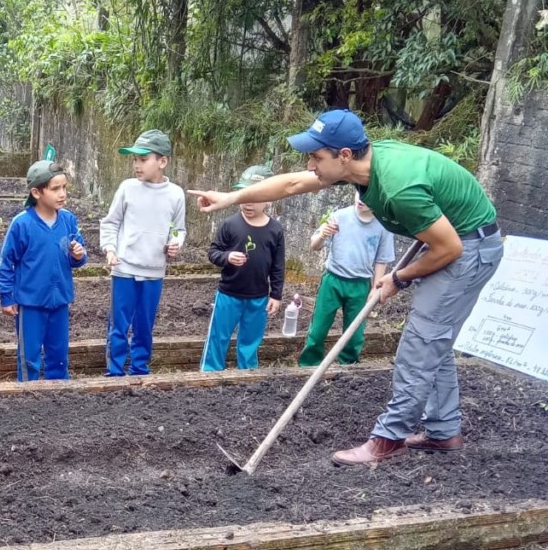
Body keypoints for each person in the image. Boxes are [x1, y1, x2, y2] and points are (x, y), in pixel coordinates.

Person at [189, 109, 502, 465]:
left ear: (345, 156)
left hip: (468, 247)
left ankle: (390, 436)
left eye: (316, 157)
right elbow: (292, 183)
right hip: (452, 234)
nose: (310, 165)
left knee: (421, 341)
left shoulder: (400, 189)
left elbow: (450, 248)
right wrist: (228, 198)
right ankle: (444, 431)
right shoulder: (360, 165)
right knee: (436, 341)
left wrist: (398, 278)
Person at [101, 130, 187, 376]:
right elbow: (111, 223)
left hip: (153, 272)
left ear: (162, 161)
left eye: (143, 159)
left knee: (144, 325)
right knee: (119, 325)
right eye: (134, 160)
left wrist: (175, 243)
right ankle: (114, 371)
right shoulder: (127, 188)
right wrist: (110, 249)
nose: (136, 165)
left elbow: (179, 229)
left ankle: (140, 369)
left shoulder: (175, 194)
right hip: (124, 269)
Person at [0, 160, 87, 381]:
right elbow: (6, 261)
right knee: (29, 356)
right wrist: (7, 297)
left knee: (59, 355)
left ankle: (58, 393)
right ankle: (28, 392)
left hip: (60, 301)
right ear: (36, 192)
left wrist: (78, 255)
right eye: (55, 189)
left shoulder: (68, 220)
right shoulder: (22, 224)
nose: (62, 194)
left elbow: (78, 257)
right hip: (30, 303)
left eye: (64, 187)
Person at [200, 165, 285, 371]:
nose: (248, 203)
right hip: (228, 294)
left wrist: (276, 295)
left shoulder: (275, 230)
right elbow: (213, 253)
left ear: (269, 198)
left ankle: (247, 373)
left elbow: (278, 265)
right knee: (218, 336)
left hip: (258, 297)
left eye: (254, 197)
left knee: (251, 339)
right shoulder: (229, 224)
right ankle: (211, 371)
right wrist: (227, 256)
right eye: (243, 195)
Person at [298, 193, 395, 367]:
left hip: (360, 284)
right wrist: (322, 235)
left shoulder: (383, 226)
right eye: (360, 193)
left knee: (355, 331)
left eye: (369, 195)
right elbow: (315, 245)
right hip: (332, 280)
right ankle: (309, 364)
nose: (362, 199)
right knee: (319, 327)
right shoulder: (339, 216)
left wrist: (376, 286)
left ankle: (348, 365)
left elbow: (382, 258)